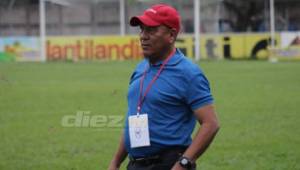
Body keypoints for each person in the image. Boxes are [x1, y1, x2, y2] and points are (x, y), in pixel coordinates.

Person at [108, 4, 219, 170]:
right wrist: (116, 162)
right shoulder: (140, 68)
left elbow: (211, 124)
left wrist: (183, 163)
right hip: (135, 164)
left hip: (168, 164)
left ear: (171, 35)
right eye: (142, 29)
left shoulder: (188, 73)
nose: (143, 36)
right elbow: (134, 119)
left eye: (151, 30)